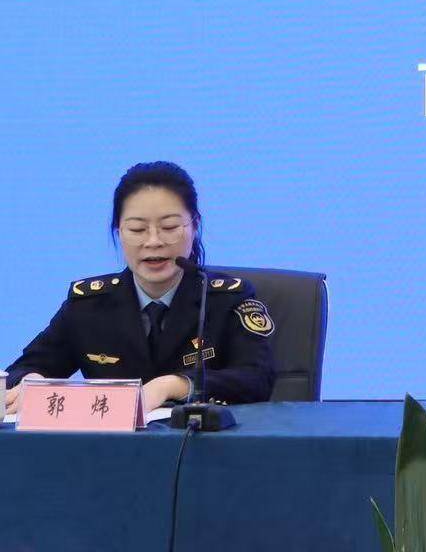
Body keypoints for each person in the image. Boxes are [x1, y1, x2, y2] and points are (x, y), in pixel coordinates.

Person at [4, 161, 276, 414]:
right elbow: (22, 369)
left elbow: (257, 378)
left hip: (200, 445)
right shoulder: (89, 306)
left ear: (194, 227)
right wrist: (31, 381)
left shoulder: (225, 299)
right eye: (137, 229)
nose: (153, 241)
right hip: (114, 447)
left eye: (169, 227)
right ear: (118, 232)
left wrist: (173, 385)